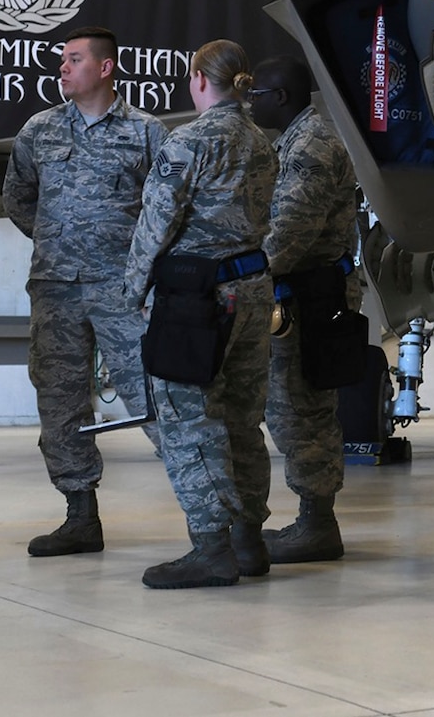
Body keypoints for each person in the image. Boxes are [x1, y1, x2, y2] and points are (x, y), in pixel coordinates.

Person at [119, 40, 279, 589]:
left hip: (199, 299)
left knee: (189, 417)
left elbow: (157, 221)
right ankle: (248, 542)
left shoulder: (188, 141)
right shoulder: (263, 142)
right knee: (240, 418)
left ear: (198, 79)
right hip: (254, 291)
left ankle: (211, 545)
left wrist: (132, 289)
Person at [3, 26, 168, 556]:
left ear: (105, 68)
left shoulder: (146, 132)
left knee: (152, 393)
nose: (62, 68)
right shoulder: (39, 130)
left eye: (74, 60)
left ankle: (206, 510)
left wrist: (127, 261)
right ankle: (79, 515)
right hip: (55, 288)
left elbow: (164, 210)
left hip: (123, 290)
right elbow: (17, 197)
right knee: (60, 400)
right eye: (62, 60)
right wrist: (58, 240)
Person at [249, 57, 357, 564]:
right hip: (294, 293)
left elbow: (288, 232)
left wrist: (238, 276)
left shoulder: (312, 145)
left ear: (283, 96)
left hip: (307, 299)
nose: (251, 103)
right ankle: (312, 519)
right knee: (289, 405)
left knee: (301, 408)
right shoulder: (291, 140)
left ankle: (318, 525)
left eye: (259, 94)